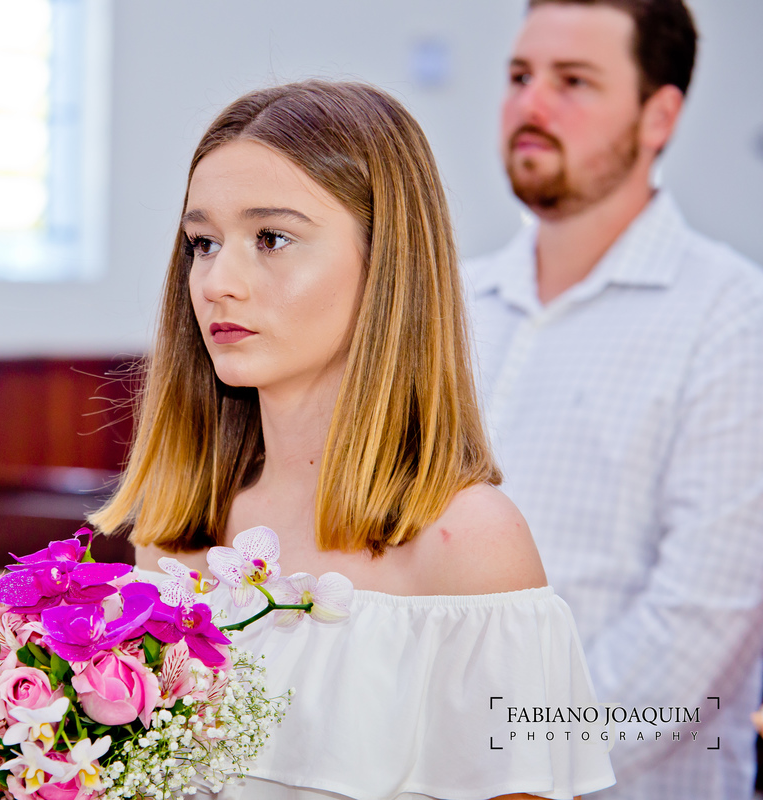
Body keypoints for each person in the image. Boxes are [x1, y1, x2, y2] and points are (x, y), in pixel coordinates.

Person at [92, 80, 616, 800]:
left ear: (387, 263)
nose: (217, 282)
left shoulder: (472, 547)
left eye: (271, 238)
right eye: (203, 243)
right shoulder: (175, 531)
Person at [465, 2, 763, 799]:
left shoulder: (733, 317)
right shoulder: (452, 303)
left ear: (658, 115)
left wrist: (517, 772)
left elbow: (699, 624)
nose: (531, 104)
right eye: (520, 76)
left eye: (574, 81)